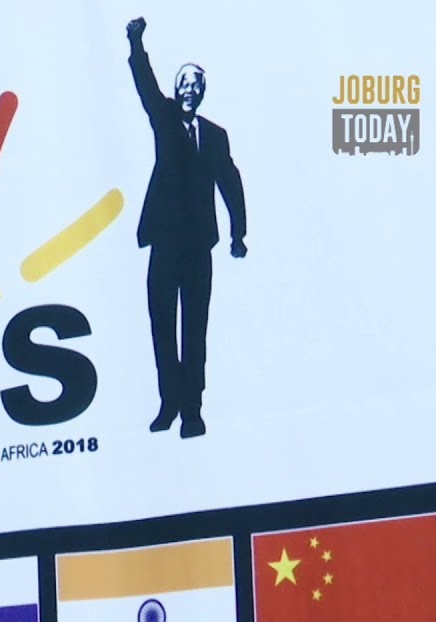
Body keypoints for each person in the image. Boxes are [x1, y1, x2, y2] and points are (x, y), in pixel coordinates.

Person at [126, 17, 247, 439]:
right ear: (175, 90)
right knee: (162, 325)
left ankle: (192, 411)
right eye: (183, 84)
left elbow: (230, 182)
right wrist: (136, 42)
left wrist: (238, 234)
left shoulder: (215, 136)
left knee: (195, 329)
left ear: (203, 92)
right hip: (164, 243)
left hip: (198, 248)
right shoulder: (163, 118)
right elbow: (145, 84)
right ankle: (169, 404)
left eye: (195, 85)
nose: (189, 90)